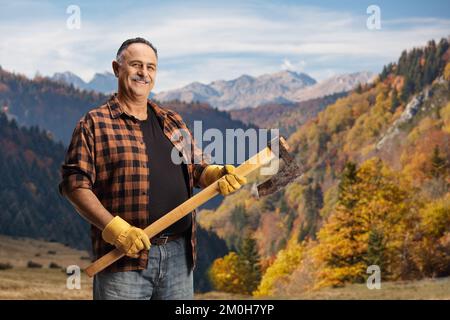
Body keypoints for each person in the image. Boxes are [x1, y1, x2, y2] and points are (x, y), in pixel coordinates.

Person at [59, 37, 247, 300]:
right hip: (123, 260)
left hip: (179, 256)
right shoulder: (94, 123)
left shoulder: (170, 120)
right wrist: (115, 229)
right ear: (116, 68)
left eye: (150, 67)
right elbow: (74, 185)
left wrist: (217, 173)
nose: (143, 73)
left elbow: (197, 167)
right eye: (136, 65)